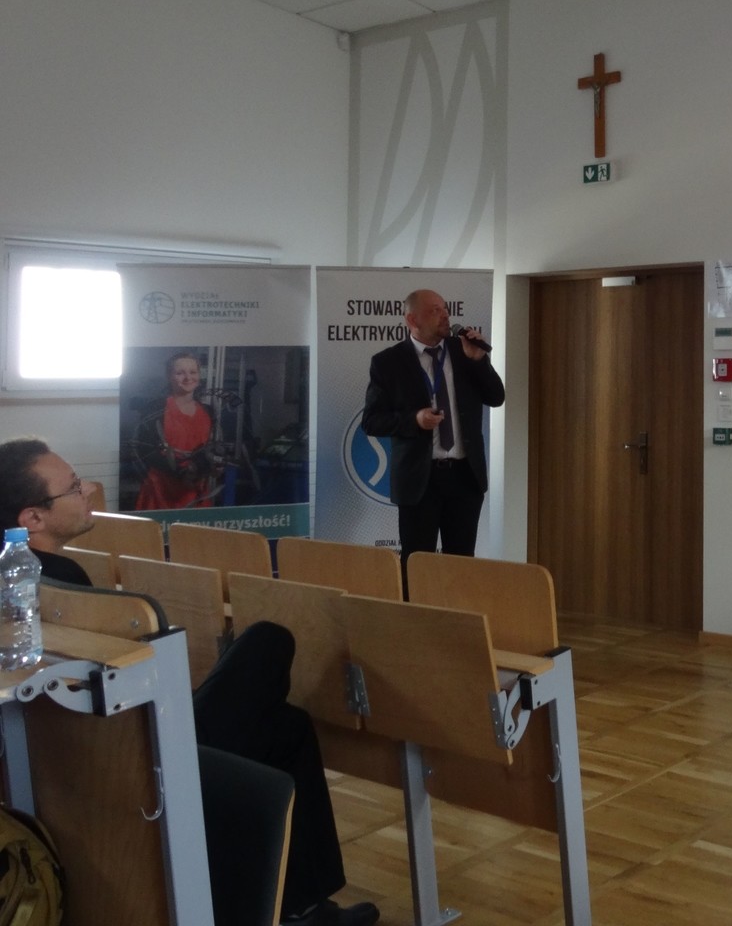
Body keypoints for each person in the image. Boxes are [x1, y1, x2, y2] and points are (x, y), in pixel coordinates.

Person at [0, 438, 378, 926]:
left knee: (287, 727)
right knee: (268, 640)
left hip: (87, 759)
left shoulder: (20, 575)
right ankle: (304, 908)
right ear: (33, 518)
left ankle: (304, 909)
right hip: (146, 758)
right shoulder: (58, 580)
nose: (89, 490)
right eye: (73, 488)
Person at [361, 290, 504, 584]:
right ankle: (415, 613)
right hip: (419, 480)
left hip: (464, 476)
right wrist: (414, 420)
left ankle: (457, 613)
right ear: (412, 320)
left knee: (461, 564)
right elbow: (372, 421)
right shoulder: (388, 362)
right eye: (435, 310)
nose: (445, 315)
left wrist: (479, 361)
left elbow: (496, 397)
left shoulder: (464, 351)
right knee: (417, 564)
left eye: (445, 308)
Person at [133, 350, 215, 510]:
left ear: (199, 375)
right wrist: (179, 471)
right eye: (180, 373)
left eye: (193, 372)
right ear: (170, 376)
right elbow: (144, 450)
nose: (188, 378)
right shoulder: (155, 409)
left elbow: (211, 448)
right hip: (160, 493)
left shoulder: (208, 412)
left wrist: (211, 466)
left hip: (195, 493)